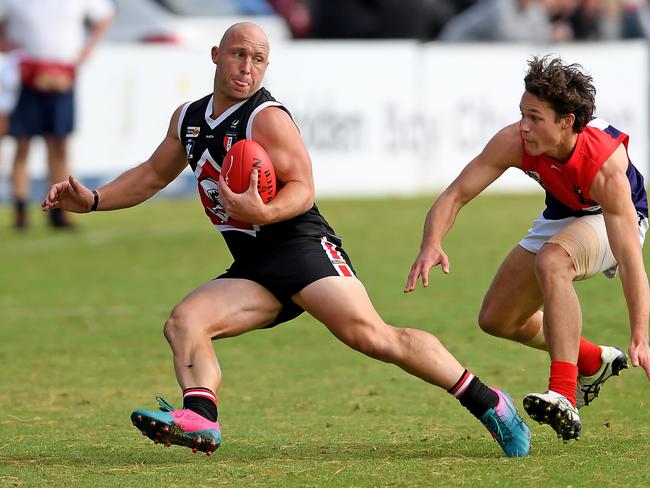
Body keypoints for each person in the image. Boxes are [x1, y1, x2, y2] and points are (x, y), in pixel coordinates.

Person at [41, 22, 530, 458]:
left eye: (257, 59)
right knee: (185, 322)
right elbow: (151, 174)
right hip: (255, 265)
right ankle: (201, 420)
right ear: (215, 55)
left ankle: (491, 404)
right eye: (237, 55)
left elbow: (304, 189)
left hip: (301, 249)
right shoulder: (188, 118)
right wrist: (95, 200)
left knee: (373, 337)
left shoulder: (266, 118)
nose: (246, 67)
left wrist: (262, 211)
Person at [405, 55, 650, 442]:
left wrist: (640, 332)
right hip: (564, 213)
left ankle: (564, 394)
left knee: (554, 262)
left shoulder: (604, 166)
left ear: (566, 122)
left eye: (535, 117)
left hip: (615, 216)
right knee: (498, 318)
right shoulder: (515, 141)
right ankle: (592, 359)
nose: (524, 126)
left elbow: (630, 258)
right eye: (522, 113)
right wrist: (431, 242)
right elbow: (455, 195)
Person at [0, 0, 114, 230]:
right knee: (22, 144)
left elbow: (105, 16)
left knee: (59, 144)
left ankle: (59, 209)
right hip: (26, 76)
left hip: (62, 76)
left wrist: (82, 55)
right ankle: (20, 209)